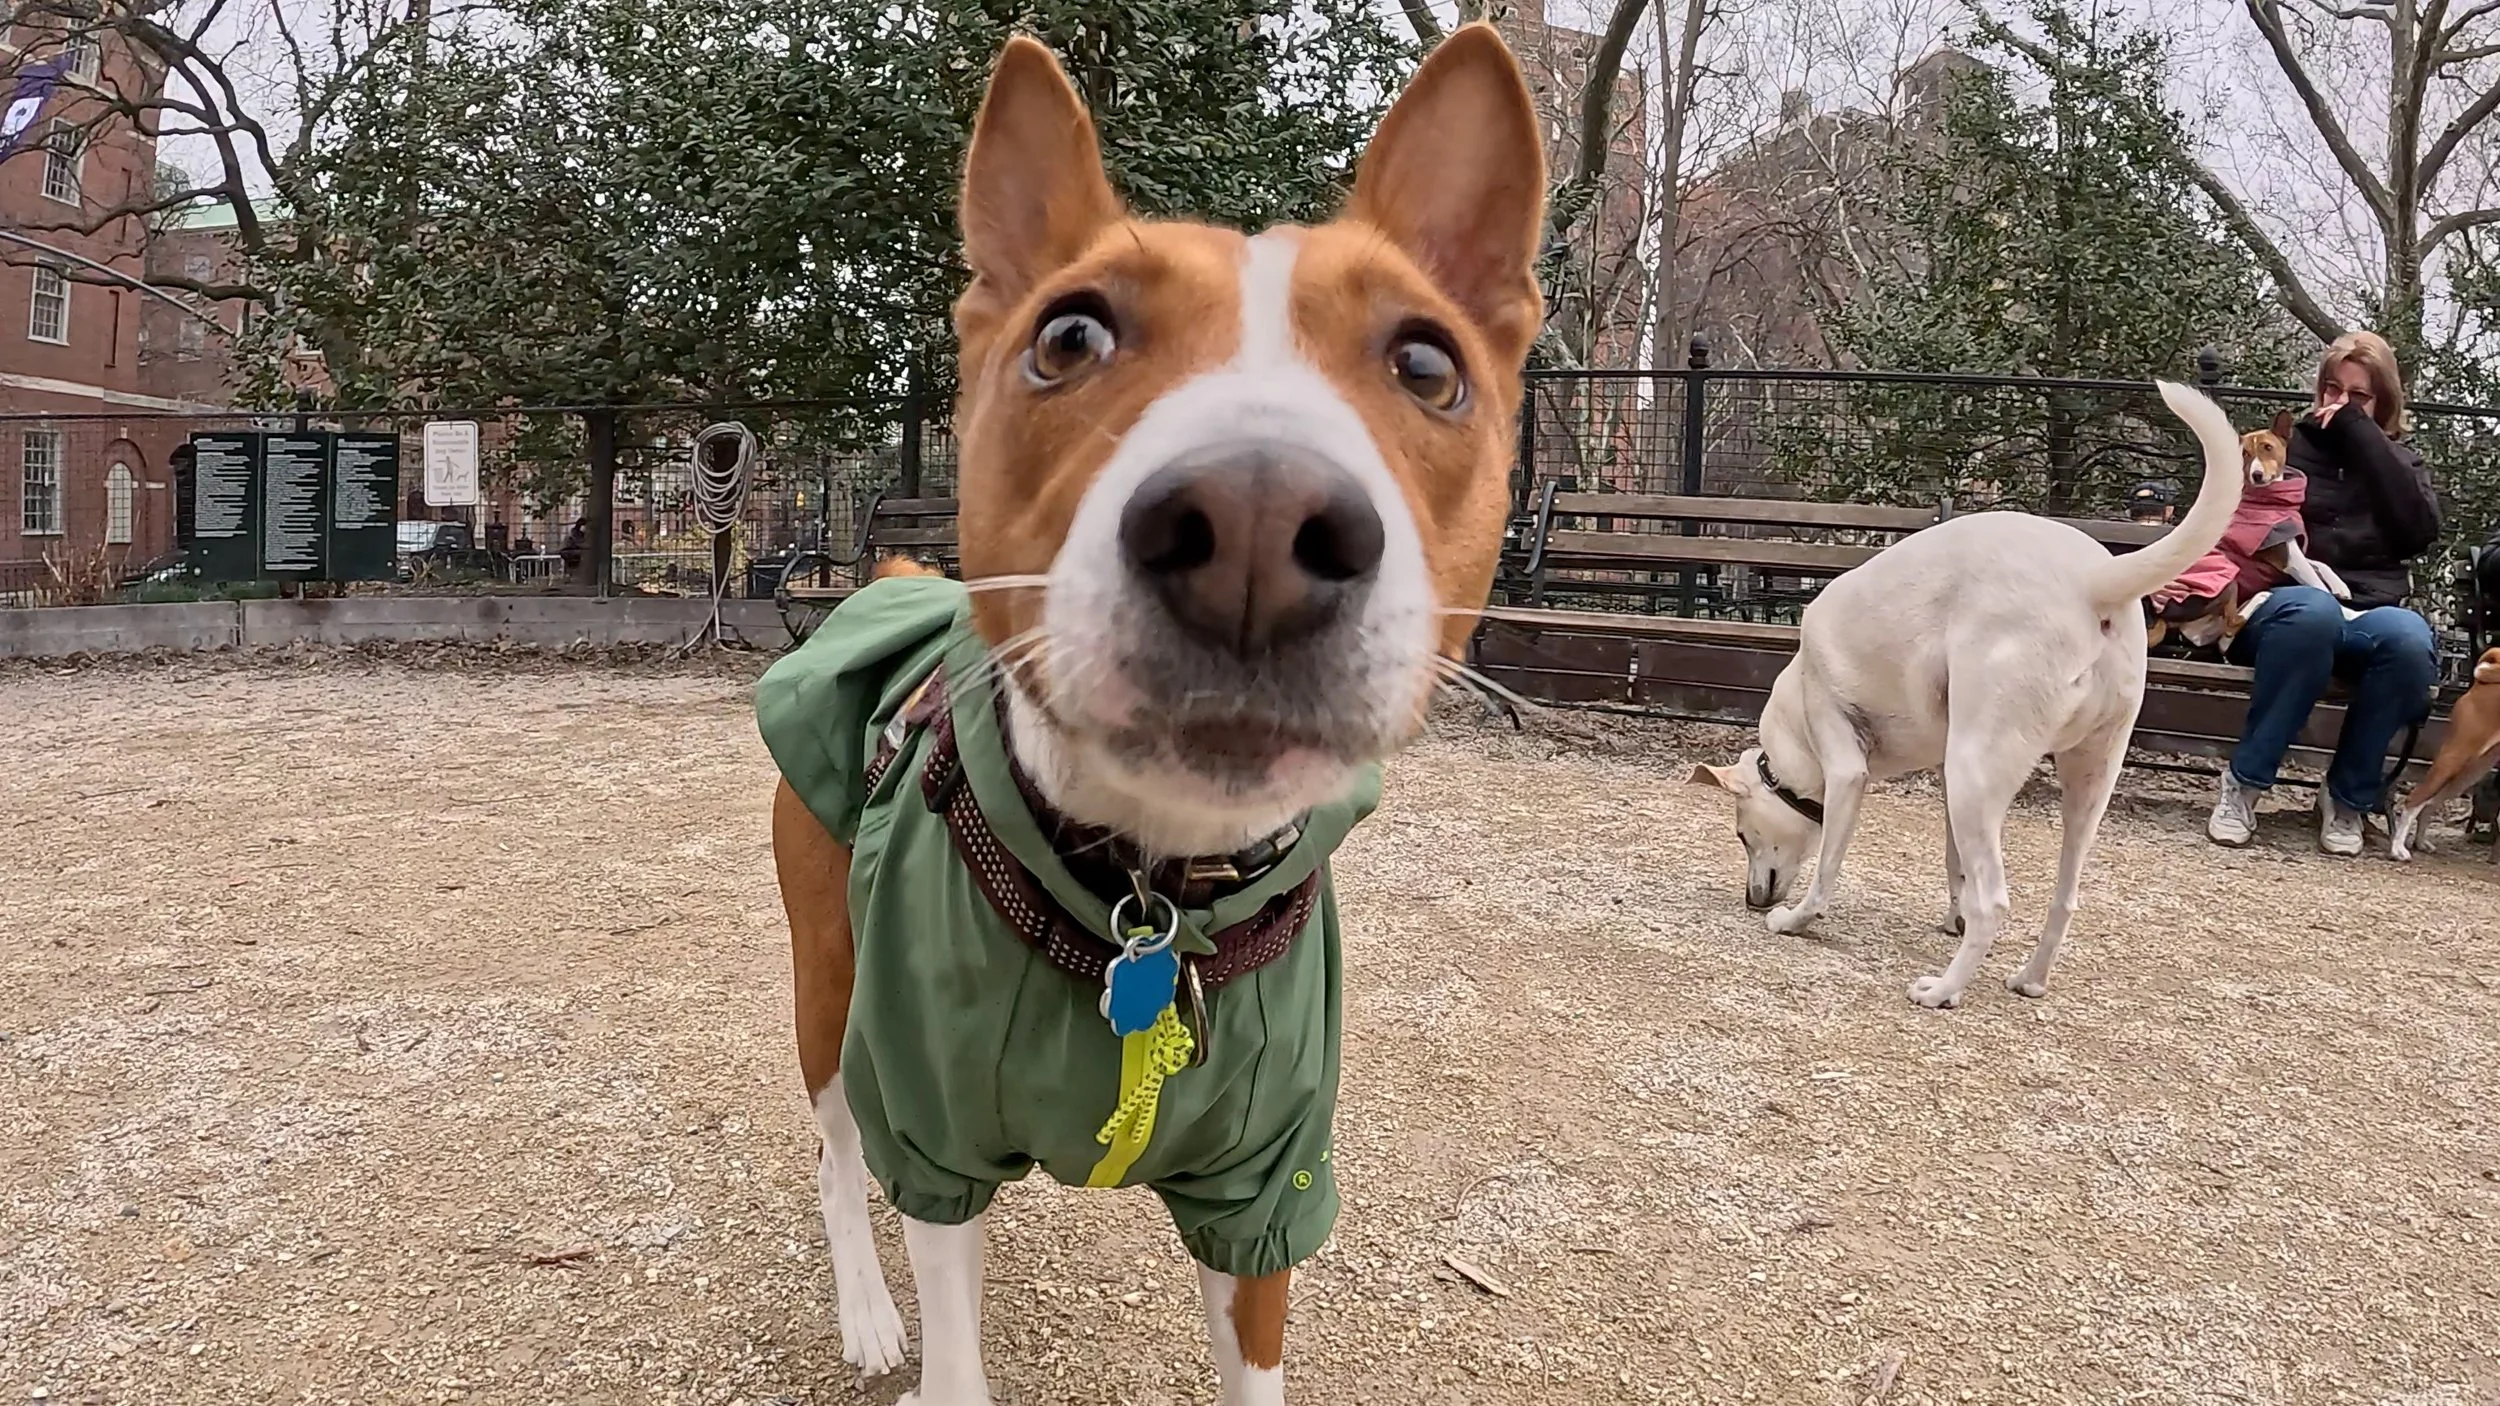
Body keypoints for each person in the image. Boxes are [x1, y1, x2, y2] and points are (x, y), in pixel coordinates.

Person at [2207, 331, 2442, 855]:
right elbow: (2231, 514)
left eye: (2357, 396)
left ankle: (2348, 799)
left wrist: (2365, 438)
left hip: (2370, 606)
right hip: (2277, 601)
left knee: (2408, 641)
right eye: (2331, 389)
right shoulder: (2288, 446)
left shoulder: (2403, 460)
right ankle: (2244, 784)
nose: (2339, 403)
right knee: (2312, 614)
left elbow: (2418, 533)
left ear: (2383, 401)